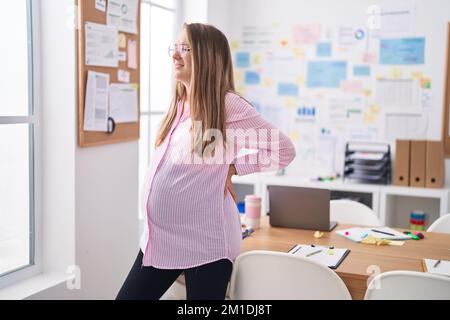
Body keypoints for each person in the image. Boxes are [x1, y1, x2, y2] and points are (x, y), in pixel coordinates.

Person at [116, 23, 296, 300]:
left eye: (185, 48)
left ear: (208, 56)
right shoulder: (180, 104)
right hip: (159, 239)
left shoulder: (227, 106)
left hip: (206, 245)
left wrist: (234, 168)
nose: (175, 55)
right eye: (174, 48)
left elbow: (283, 150)